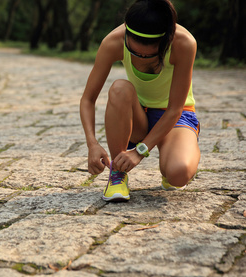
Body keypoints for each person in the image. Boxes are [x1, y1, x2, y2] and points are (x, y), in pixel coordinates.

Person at [80, 0, 200, 201]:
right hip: (139, 116)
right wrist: (92, 143)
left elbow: (174, 109)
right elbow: (87, 99)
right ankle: (117, 175)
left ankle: (174, 158)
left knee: (179, 174)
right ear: (127, 34)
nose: (142, 58)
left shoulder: (184, 43)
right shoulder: (113, 41)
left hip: (175, 117)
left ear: (166, 40)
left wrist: (140, 151)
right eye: (135, 53)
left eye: (151, 55)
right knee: (119, 88)